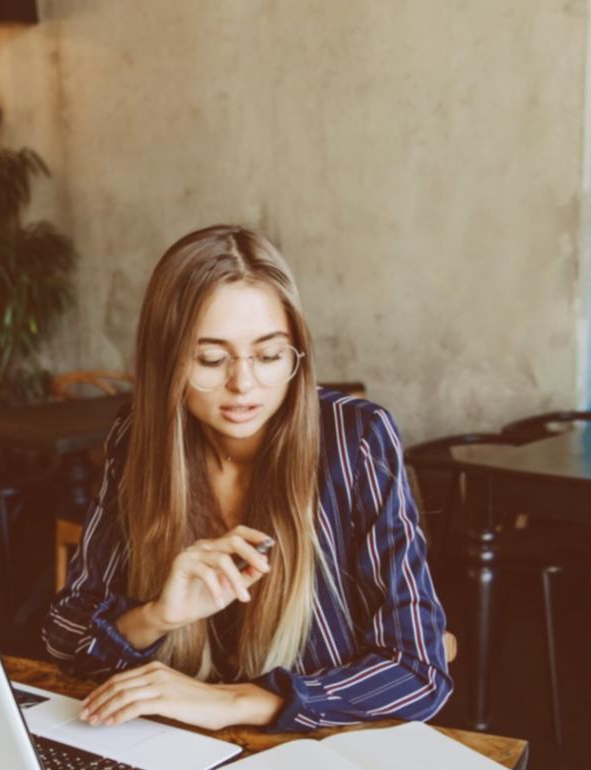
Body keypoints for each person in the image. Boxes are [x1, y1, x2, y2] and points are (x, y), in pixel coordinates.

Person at [43, 225, 452, 732]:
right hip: (176, 749)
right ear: (166, 360)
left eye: (269, 355)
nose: (244, 383)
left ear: (296, 353)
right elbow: (64, 635)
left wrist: (235, 703)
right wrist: (157, 616)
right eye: (211, 359)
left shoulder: (356, 438)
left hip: (318, 756)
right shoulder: (139, 437)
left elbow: (418, 671)